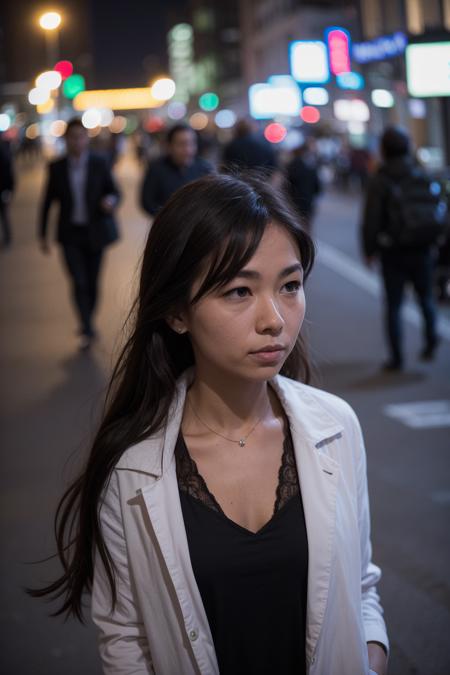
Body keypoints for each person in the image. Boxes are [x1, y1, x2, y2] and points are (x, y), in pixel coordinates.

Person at [31, 174, 388, 675]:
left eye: (290, 286)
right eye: (239, 291)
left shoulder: (337, 427)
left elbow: (361, 587)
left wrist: (372, 658)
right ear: (177, 311)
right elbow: (126, 639)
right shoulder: (131, 469)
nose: (275, 319)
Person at [361, 126, 443, 371]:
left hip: (393, 250)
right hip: (423, 247)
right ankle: (430, 340)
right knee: (426, 298)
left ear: (384, 149)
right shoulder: (421, 173)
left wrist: (369, 249)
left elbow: (372, 218)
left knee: (394, 305)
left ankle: (396, 358)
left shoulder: (381, 179)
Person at [38, 118, 120, 350]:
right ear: (66, 140)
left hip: (95, 232)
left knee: (93, 282)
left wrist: (110, 200)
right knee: (78, 280)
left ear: (87, 139)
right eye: (72, 137)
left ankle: (88, 320)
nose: (77, 141)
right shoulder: (56, 167)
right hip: (70, 234)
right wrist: (42, 235)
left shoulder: (99, 162)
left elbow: (114, 191)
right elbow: (47, 202)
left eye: (81, 136)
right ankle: (86, 325)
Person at [140, 123, 213, 217]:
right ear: (169, 146)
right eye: (181, 144)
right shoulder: (156, 169)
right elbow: (147, 202)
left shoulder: (205, 168)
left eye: (192, 143)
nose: (188, 149)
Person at [285, 141, 321, 233]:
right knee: (306, 223)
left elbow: (287, 183)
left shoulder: (292, 164)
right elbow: (318, 186)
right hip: (308, 199)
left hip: (294, 199)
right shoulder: (312, 164)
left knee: (295, 224)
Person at [0, 136, 15, 249]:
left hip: (2, 190)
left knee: (4, 215)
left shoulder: (3, 150)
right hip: (4, 189)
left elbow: (8, 173)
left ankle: (8, 238)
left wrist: (9, 190)